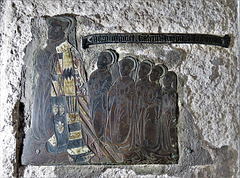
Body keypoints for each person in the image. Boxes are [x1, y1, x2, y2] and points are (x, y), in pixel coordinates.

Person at [106, 56, 137, 162]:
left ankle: (125, 148)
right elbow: (111, 92)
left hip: (126, 109)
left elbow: (132, 95)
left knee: (124, 127)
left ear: (129, 70)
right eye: (121, 68)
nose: (122, 70)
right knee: (116, 127)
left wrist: (127, 98)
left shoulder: (131, 82)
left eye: (125, 68)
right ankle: (117, 147)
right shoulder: (118, 81)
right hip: (117, 108)